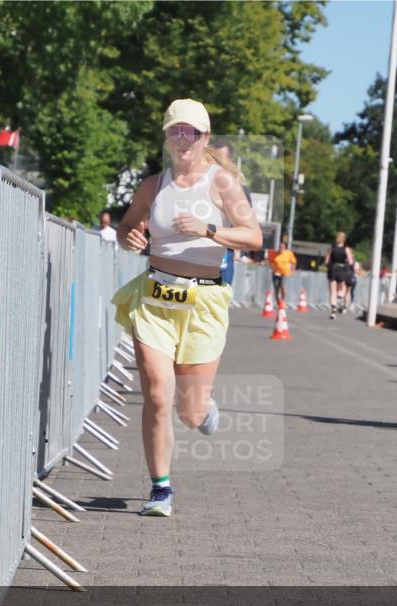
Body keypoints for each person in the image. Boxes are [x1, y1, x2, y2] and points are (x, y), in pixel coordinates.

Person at [112, 99, 262, 516]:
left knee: (190, 413)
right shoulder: (152, 186)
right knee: (157, 393)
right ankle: (160, 489)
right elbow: (127, 226)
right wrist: (130, 237)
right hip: (156, 296)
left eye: (191, 133)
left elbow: (253, 237)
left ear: (204, 138)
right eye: (176, 131)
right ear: (166, 137)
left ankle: (204, 405)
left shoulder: (222, 184)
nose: (183, 139)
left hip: (204, 302)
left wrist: (209, 229)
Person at [210, 137, 252, 286]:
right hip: (194, 248)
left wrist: (237, 249)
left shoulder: (239, 187)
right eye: (214, 158)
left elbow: (248, 227)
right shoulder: (195, 181)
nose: (218, 163)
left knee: (218, 298)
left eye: (222, 159)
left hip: (223, 248)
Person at [324, 231, 354, 319]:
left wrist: (329, 265)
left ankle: (333, 310)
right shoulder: (346, 249)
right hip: (342, 269)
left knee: (332, 290)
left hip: (332, 268)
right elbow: (351, 262)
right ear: (344, 239)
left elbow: (326, 261)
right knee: (343, 288)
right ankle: (339, 298)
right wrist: (347, 262)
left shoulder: (332, 248)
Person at [270, 235, 296, 305]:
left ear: (285, 248)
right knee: (276, 288)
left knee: (283, 287)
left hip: (285, 273)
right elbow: (271, 262)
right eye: (280, 247)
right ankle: (278, 303)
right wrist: (272, 267)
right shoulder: (274, 253)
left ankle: (282, 301)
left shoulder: (288, 253)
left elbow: (293, 262)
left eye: (282, 247)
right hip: (276, 273)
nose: (281, 248)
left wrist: (292, 270)